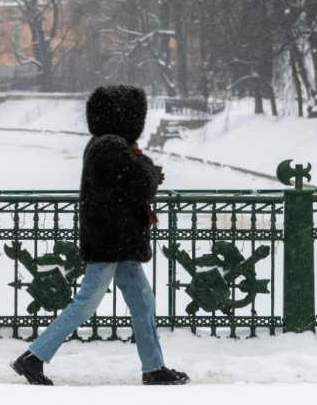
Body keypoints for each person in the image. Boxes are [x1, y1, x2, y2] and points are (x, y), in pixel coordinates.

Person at [11, 85, 189, 387]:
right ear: (129, 117)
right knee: (86, 302)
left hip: (118, 241)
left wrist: (141, 165)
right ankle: (33, 357)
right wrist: (148, 167)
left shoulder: (104, 144)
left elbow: (130, 183)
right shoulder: (111, 146)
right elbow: (141, 186)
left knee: (143, 302)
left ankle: (154, 367)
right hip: (111, 241)